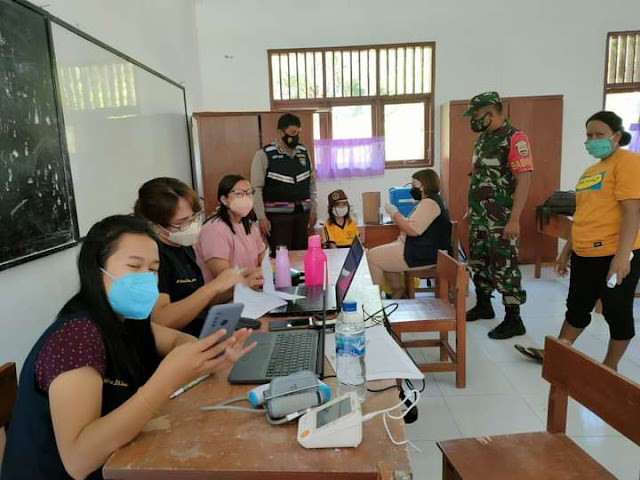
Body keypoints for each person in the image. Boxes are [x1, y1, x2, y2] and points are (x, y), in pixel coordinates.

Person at [0, 215, 256, 479]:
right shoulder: (76, 337)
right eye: (134, 266)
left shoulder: (128, 319)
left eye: (153, 269)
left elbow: (177, 341)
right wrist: (166, 379)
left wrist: (210, 354)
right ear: (95, 270)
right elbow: (78, 461)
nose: (146, 279)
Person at [516, 111, 640, 370]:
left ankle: (610, 365)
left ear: (616, 136)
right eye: (589, 135)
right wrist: (565, 253)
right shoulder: (590, 172)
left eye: (599, 135)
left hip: (613, 255)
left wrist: (621, 255)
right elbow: (582, 216)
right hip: (585, 254)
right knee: (576, 306)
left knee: (616, 312)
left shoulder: (628, 162)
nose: (593, 140)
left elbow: (632, 210)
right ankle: (559, 351)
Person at [134, 177, 260, 337]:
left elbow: (200, 302)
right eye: (183, 222)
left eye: (194, 217)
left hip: (205, 329)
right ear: (155, 226)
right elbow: (161, 320)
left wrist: (240, 284)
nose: (193, 225)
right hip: (182, 343)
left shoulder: (184, 248)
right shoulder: (154, 257)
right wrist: (212, 288)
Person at [463, 91, 533, 340]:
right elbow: (478, 175)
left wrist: (514, 219)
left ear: (490, 113)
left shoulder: (515, 139)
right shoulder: (482, 139)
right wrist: (472, 207)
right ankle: (484, 305)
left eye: (476, 115)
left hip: (502, 217)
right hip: (480, 215)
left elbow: (523, 179)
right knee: (478, 262)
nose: (473, 120)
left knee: (505, 267)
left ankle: (514, 319)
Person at [367, 169, 451, 299]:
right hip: (420, 247)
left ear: (424, 185)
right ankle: (397, 291)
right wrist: (398, 217)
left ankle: (373, 301)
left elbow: (413, 230)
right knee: (381, 254)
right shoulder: (430, 201)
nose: (412, 188)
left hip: (422, 252)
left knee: (372, 256)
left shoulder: (429, 203)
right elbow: (415, 224)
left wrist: (394, 213)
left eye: (414, 184)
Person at [251, 113, 318, 254]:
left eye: (298, 133)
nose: (296, 137)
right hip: (277, 218)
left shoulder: (303, 152)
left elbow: (311, 182)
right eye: (293, 133)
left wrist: (313, 209)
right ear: (280, 132)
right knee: (281, 257)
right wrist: (261, 217)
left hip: (301, 215)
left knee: (301, 255)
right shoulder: (264, 155)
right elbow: (256, 189)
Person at [195, 175, 267, 283]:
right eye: (238, 193)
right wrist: (258, 272)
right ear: (224, 200)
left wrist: (269, 267)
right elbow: (222, 275)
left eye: (249, 193)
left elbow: (262, 255)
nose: (246, 197)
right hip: (225, 296)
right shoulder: (214, 229)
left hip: (251, 288)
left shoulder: (249, 225)